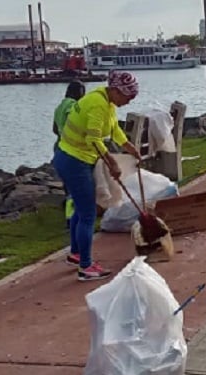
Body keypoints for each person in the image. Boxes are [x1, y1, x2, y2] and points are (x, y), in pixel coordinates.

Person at [53, 71, 141, 281]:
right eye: (127, 97)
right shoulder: (97, 104)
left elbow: (114, 128)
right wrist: (112, 163)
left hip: (74, 157)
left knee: (80, 208)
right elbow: (94, 139)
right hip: (74, 160)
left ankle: (76, 253)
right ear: (115, 90)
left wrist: (128, 146)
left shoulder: (106, 100)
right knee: (88, 214)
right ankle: (85, 266)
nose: (128, 102)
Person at [52, 81, 86, 236]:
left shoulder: (60, 106)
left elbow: (54, 129)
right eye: (83, 92)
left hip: (59, 148)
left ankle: (70, 217)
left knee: (68, 187)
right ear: (78, 92)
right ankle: (72, 220)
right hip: (72, 150)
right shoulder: (73, 106)